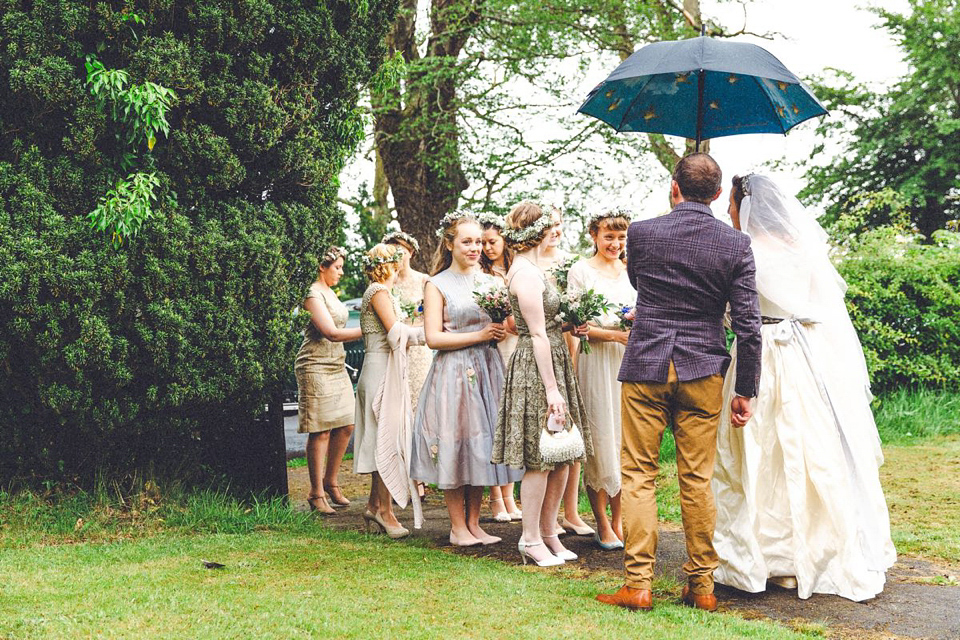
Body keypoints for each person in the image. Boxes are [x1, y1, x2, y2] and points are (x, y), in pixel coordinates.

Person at [713, 174, 896, 601]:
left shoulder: (744, 252)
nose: (728, 212)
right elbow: (823, 312)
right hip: (807, 360)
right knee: (810, 454)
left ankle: (761, 556)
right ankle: (808, 554)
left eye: (732, 204)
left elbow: (734, 313)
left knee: (758, 455)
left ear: (746, 206)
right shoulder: (804, 251)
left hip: (759, 359)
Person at [596, 153, 762, 612]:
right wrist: (746, 388)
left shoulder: (643, 234)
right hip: (703, 369)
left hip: (647, 362)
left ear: (675, 187)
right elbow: (748, 325)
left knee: (638, 475)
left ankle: (638, 585)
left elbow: (637, 281)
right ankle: (702, 587)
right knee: (696, 479)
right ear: (715, 194)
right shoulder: (736, 244)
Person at [411, 212, 523, 546]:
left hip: (488, 369)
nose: (475, 248)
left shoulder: (491, 282)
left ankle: (475, 524)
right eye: (467, 242)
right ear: (450, 243)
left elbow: (501, 328)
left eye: (478, 242)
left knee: (482, 444)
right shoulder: (437, 284)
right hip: (454, 373)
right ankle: (457, 526)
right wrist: (479, 335)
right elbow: (433, 338)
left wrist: (501, 331)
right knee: (455, 443)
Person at [492, 201, 592, 568]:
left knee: (562, 455)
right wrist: (552, 390)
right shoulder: (524, 274)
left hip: (554, 359)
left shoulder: (536, 269)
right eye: (550, 226)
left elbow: (548, 325)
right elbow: (534, 333)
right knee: (541, 457)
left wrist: (572, 324)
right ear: (534, 231)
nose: (556, 231)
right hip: (538, 368)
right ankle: (529, 539)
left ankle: (549, 532)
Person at [567, 211, 635, 550]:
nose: (615, 244)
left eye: (621, 238)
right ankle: (602, 522)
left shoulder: (632, 270)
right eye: (609, 237)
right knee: (599, 438)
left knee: (623, 440)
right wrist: (615, 336)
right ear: (594, 235)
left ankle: (621, 519)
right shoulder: (580, 271)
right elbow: (578, 326)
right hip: (595, 363)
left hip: (628, 364)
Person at [353, 243, 419, 539]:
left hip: (387, 368)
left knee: (389, 437)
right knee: (385, 440)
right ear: (389, 264)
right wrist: (428, 335)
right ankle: (384, 511)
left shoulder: (383, 292)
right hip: (380, 370)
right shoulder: (378, 292)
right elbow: (394, 333)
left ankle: (373, 505)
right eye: (399, 257)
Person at [538, 206, 595, 538]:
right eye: (550, 225)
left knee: (573, 434)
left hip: (570, 345)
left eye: (559, 224)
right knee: (549, 433)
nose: (555, 230)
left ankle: (572, 512)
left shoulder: (572, 263)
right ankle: (549, 514)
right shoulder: (528, 265)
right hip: (545, 347)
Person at [295, 246, 363, 514]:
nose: (341, 272)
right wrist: (368, 330)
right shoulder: (312, 294)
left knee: (346, 424)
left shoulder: (330, 292)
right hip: (315, 363)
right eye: (337, 267)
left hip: (336, 364)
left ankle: (331, 481)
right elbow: (331, 333)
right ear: (322, 266)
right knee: (321, 428)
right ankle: (315, 492)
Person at [479, 211, 522, 523]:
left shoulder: (515, 269)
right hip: (494, 349)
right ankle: (496, 496)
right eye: (482, 243)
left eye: (492, 241)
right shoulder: (482, 276)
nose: (486, 248)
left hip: (516, 347)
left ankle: (510, 495)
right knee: (495, 423)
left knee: (511, 425)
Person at [382, 230, 433, 415]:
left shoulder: (424, 280)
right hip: (392, 348)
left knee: (419, 402)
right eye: (392, 251)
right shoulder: (385, 283)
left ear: (411, 252)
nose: (397, 256)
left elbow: (433, 317)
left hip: (418, 350)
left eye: (401, 251)